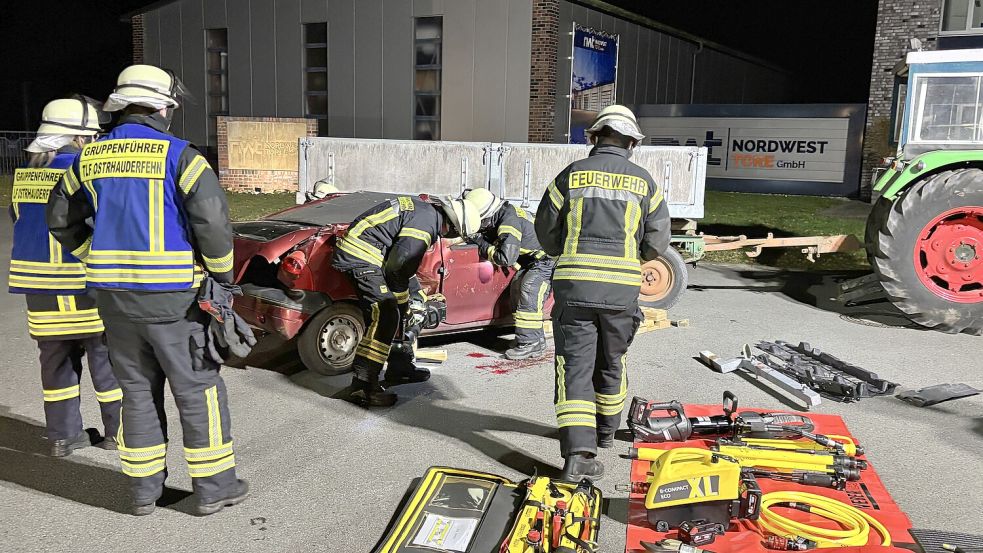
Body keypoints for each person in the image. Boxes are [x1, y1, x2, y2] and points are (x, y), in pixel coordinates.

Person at [47, 64, 248, 516]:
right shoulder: (182, 157)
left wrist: (90, 256)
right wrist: (222, 278)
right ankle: (215, 487)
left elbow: (60, 220)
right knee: (199, 390)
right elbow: (213, 226)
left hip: (115, 303)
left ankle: (143, 492)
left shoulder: (89, 158)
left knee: (136, 393)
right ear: (162, 106)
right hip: (176, 302)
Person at [534, 105, 671, 481]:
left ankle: (579, 454)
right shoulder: (644, 182)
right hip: (620, 293)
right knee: (612, 361)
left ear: (594, 138)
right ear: (631, 142)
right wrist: (633, 256)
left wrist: (565, 249)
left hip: (574, 288)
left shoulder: (570, 176)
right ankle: (606, 432)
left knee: (574, 368)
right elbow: (658, 241)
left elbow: (545, 231)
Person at [8, 97, 121, 457]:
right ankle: (117, 434)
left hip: (39, 290)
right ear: (80, 137)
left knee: (55, 366)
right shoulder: (85, 171)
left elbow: (17, 217)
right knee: (106, 361)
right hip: (83, 284)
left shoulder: (26, 175)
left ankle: (62, 436)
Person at [332, 194, 480, 407]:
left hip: (365, 253)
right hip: (362, 256)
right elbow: (397, 269)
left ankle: (398, 368)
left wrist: (415, 294)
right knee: (387, 314)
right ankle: (363, 385)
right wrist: (404, 305)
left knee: (391, 313)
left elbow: (401, 262)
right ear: (455, 228)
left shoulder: (425, 213)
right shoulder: (426, 226)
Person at [462, 189, 554, 360]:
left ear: (487, 216)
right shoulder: (503, 213)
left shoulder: (508, 222)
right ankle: (535, 341)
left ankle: (529, 344)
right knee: (517, 291)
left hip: (546, 261)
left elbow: (505, 257)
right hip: (532, 261)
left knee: (528, 293)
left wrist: (480, 242)